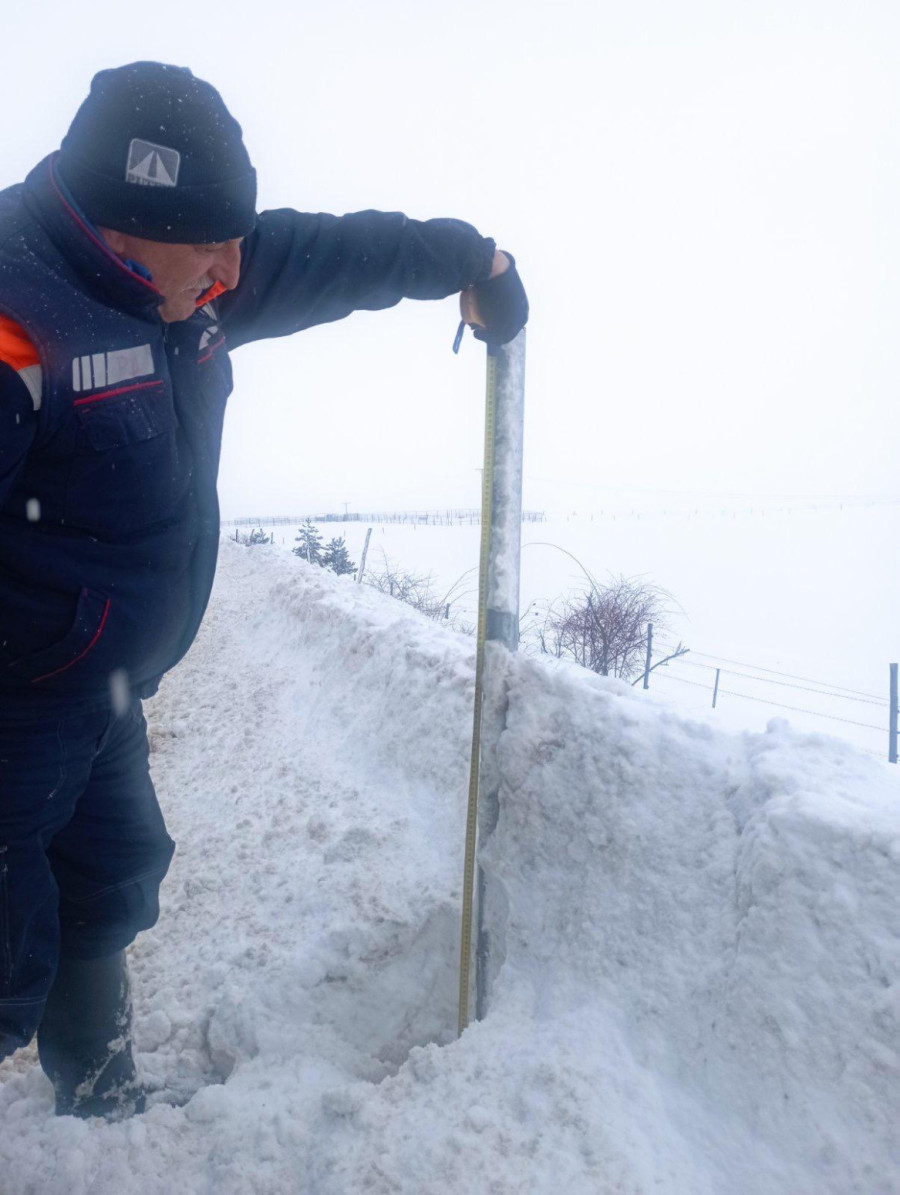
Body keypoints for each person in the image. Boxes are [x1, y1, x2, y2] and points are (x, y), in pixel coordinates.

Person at [0, 61, 527, 1119]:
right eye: (212, 245)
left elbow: (336, 253)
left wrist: (474, 259)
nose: (235, 268)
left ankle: (99, 1093)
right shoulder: (18, 321)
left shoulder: (189, 271)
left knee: (112, 881)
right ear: (122, 226)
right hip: (13, 705)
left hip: (99, 687)